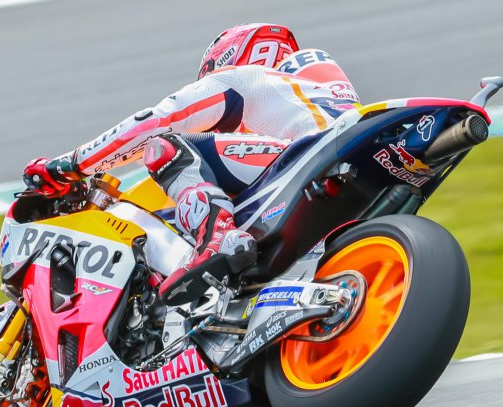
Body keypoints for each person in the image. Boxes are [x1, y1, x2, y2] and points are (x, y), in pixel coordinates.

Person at [24, 23, 361, 305]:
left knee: (163, 146)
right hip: (351, 184)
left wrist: (69, 166)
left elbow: (156, 122)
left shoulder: (245, 76)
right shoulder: (316, 89)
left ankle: (216, 238)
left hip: (305, 162)